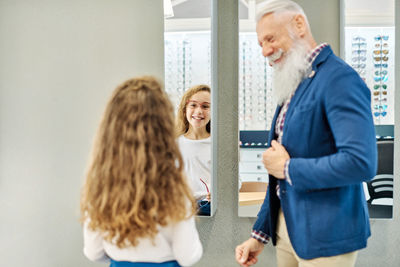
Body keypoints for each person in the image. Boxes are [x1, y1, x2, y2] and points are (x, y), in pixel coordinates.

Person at [235, 1, 377, 267]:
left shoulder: (339, 79)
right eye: (260, 44)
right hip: (287, 231)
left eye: (270, 38)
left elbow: (361, 163)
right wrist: (260, 234)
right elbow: (278, 174)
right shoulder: (294, 83)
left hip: (327, 236)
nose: (265, 51)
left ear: (298, 24)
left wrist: (288, 167)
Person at [80, 76, 203, 267]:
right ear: (163, 127)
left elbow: (93, 252)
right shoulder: (175, 186)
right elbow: (188, 256)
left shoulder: (99, 187)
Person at [176, 85, 211, 216]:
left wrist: (219, 192)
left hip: (208, 208)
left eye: (205, 106)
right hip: (180, 207)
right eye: (193, 105)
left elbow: (235, 181)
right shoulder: (174, 144)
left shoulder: (219, 145)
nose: (199, 111)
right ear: (184, 110)